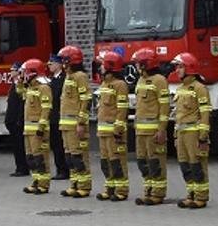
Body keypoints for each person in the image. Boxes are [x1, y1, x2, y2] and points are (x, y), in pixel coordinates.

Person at [171, 53, 212, 209]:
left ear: (190, 68)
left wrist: (203, 136)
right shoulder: (180, 89)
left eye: (180, 67)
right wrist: (176, 135)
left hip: (193, 134)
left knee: (197, 166)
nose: (177, 70)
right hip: (181, 134)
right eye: (177, 67)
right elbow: (178, 115)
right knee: (185, 166)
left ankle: (201, 196)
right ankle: (191, 194)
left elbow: (205, 113)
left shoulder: (200, 88)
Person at [130, 50, 171, 206]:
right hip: (140, 130)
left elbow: (164, 106)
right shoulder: (141, 80)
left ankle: (158, 193)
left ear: (145, 64)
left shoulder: (159, 80)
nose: (135, 65)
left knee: (155, 162)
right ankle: (148, 190)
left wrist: (162, 129)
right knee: (143, 162)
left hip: (153, 131)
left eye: (137, 63)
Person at [55, 45, 94, 198]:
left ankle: (84, 186)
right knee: (70, 157)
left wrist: (81, 122)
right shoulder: (69, 77)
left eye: (63, 60)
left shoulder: (80, 76)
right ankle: (74, 184)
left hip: (75, 125)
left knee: (79, 157)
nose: (62, 63)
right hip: (66, 125)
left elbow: (86, 100)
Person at [94, 49, 131, 201]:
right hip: (103, 131)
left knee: (117, 161)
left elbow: (122, 109)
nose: (100, 67)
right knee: (105, 161)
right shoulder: (104, 84)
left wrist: (118, 129)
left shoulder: (120, 85)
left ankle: (121, 190)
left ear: (110, 66)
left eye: (102, 64)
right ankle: (109, 188)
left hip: (114, 132)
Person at [19, 59, 54, 195]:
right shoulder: (30, 88)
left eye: (25, 72)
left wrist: (41, 127)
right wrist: (20, 81)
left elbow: (46, 108)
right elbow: (19, 92)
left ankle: (43, 184)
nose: (24, 75)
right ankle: (36, 181)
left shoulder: (44, 88)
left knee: (40, 158)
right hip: (28, 130)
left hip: (38, 130)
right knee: (31, 158)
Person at [4, 63, 30, 177]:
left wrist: (19, 119)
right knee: (16, 146)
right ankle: (19, 167)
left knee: (20, 146)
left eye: (13, 70)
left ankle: (23, 168)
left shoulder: (22, 86)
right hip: (12, 121)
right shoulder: (13, 85)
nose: (11, 72)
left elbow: (22, 105)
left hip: (18, 121)